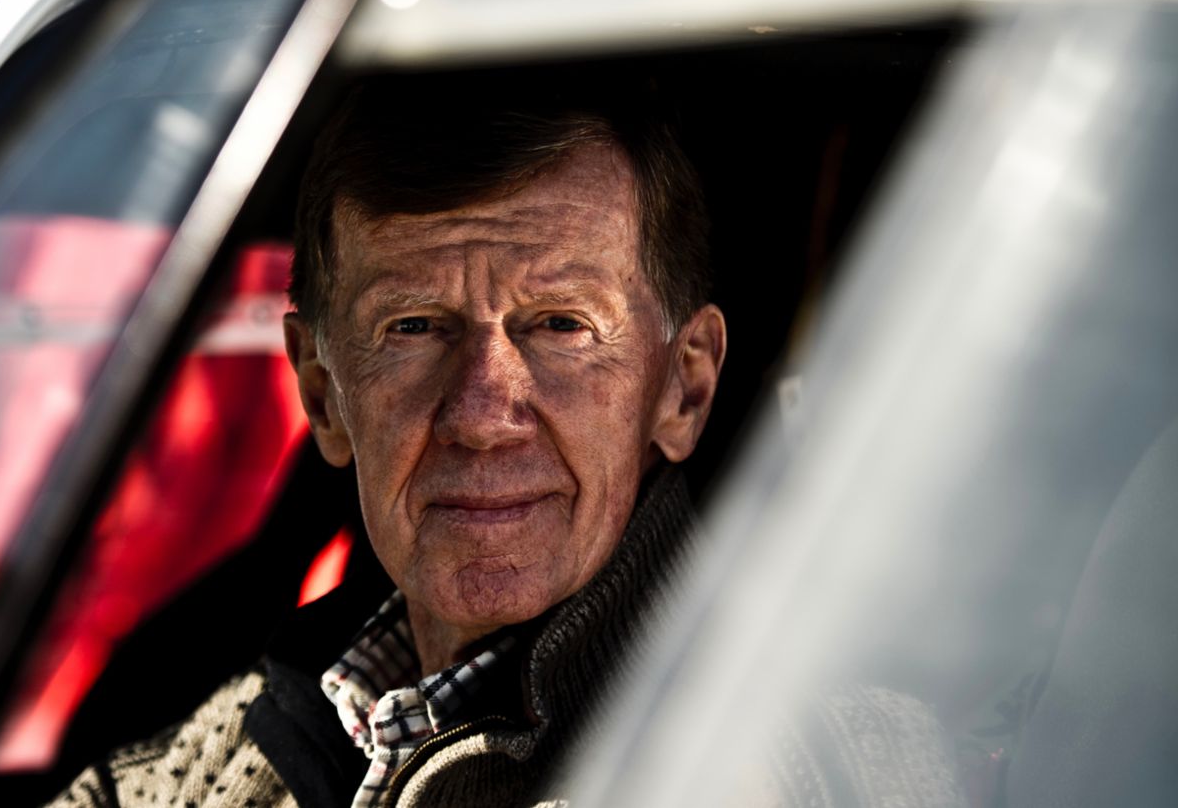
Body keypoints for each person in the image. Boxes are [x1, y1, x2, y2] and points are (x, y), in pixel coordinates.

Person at [47, 80, 960, 808]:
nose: (483, 413)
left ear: (683, 388)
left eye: (560, 325)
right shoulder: (259, 722)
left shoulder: (794, 759)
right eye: (413, 327)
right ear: (323, 394)